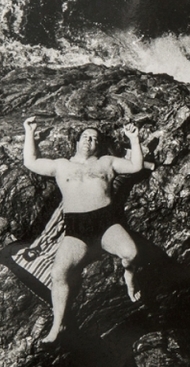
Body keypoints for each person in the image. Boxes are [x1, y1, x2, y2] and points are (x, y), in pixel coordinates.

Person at [23, 116, 145, 343]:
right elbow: (31, 161)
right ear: (77, 142)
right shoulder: (61, 164)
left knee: (132, 254)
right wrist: (29, 132)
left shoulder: (106, 162)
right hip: (76, 228)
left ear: (99, 145)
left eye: (95, 139)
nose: (90, 141)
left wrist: (134, 139)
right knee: (58, 274)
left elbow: (136, 166)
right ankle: (58, 326)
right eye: (86, 137)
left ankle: (129, 275)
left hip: (106, 222)